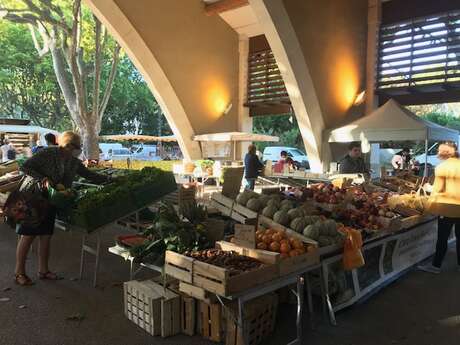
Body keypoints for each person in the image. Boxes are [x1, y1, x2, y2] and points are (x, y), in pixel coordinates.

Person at [11, 131, 109, 286]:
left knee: (46, 235)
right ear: (69, 146)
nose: (79, 150)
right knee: (28, 236)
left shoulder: (73, 161)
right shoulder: (49, 153)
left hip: (52, 200)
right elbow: (25, 167)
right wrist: (42, 179)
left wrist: (110, 180)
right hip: (33, 198)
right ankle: (19, 273)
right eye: (78, 147)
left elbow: (90, 175)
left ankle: (44, 270)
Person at [419, 142, 460, 274]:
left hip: (448, 208)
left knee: (442, 238)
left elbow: (438, 190)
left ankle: (436, 266)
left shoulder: (442, 167)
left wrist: (428, 204)